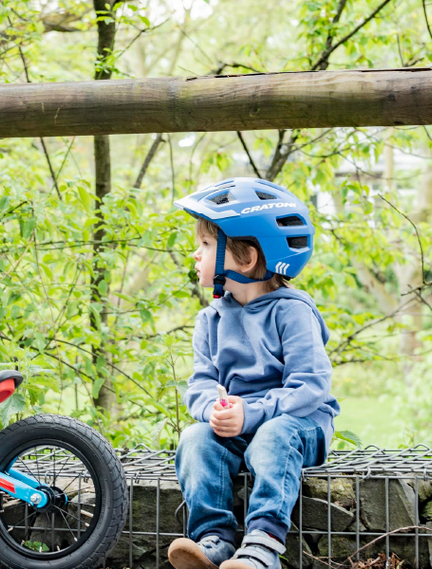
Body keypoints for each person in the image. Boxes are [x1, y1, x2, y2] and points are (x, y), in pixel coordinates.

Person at [166, 178, 341, 569]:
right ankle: (214, 542)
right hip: (240, 426)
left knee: (272, 436)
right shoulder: (210, 319)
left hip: (299, 424)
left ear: (245, 259)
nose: (195, 254)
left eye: (207, 245)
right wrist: (214, 408)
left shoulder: (292, 311)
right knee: (196, 438)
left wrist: (252, 412)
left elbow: (310, 386)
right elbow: (201, 381)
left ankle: (263, 546)